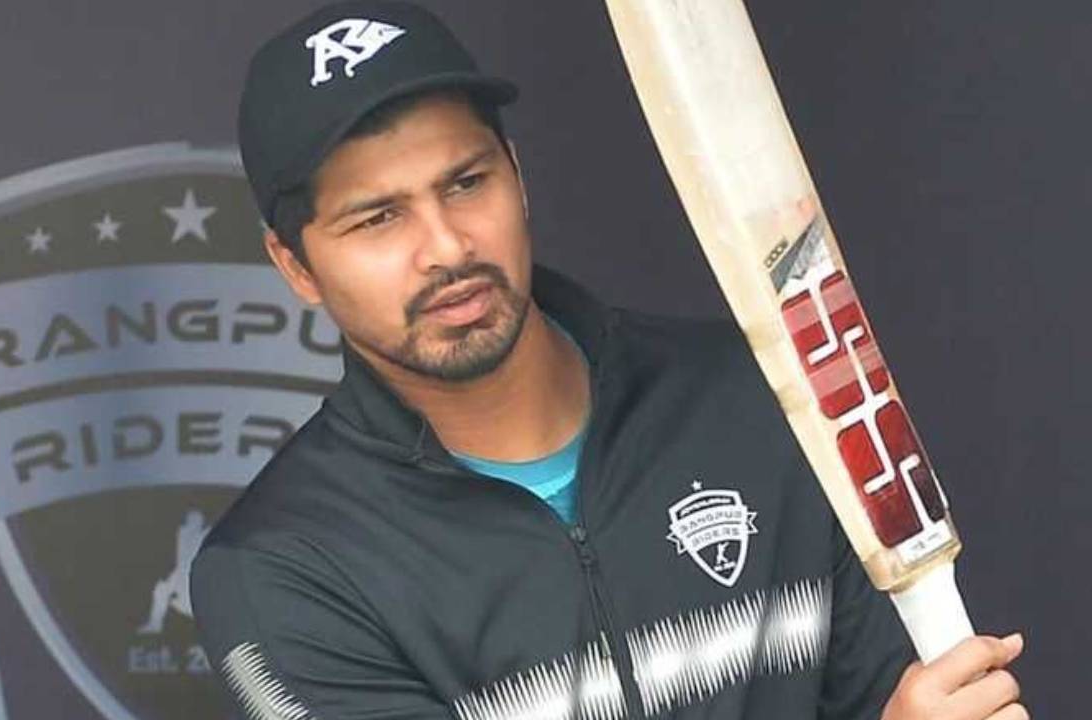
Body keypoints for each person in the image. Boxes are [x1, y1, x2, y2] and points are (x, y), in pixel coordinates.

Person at [190, 2, 1027, 719]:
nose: (446, 246)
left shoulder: (763, 397)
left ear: (518, 176)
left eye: (466, 183)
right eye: (378, 218)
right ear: (296, 265)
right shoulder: (282, 572)